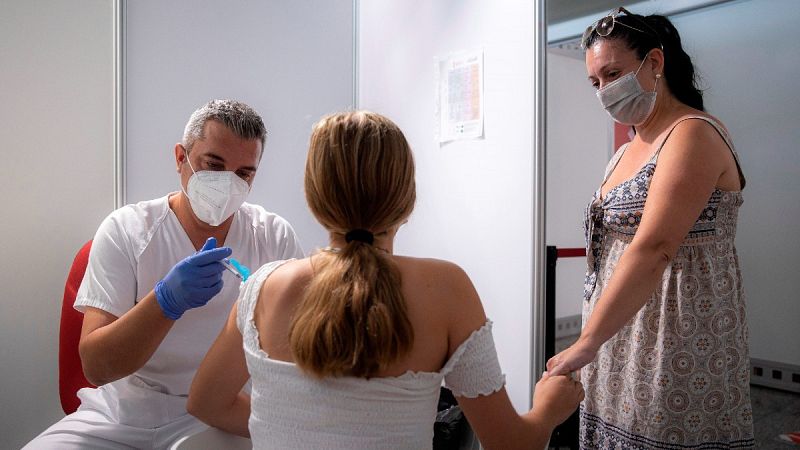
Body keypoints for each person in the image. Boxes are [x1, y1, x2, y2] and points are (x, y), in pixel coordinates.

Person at [186, 111, 584, 449]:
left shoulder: (262, 288)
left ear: (314, 196)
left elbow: (207, 403)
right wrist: (549, 407)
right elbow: (509, 444)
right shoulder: (447, 290)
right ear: (407, 197)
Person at [25, 99, 304, 449]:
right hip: (121, 417)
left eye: (243, 174)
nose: (226, 183)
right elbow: (96, 367)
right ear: (180, 158)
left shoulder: (273, 238)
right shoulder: (127, 230)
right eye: (213, 165)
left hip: (222, 415)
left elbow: (300, 359)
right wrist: (165, 302)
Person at [545, 7, 754, 449]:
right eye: (595, 82)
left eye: (613, 73)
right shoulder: (627, 150)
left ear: (654, 63)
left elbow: (655, 246)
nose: (604, 90)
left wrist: (585, 343)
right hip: (618, 330)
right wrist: (596, 339)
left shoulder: (692, 134)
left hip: (673, 335)